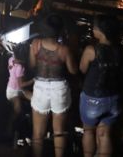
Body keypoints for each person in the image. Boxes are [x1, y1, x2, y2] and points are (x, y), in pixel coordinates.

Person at [29, 14, 78, 157]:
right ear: (59, 30)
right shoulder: (64, 50)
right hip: (59, 89)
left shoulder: (35, 44)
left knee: (38, 133)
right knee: (59, 131)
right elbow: (73, 71)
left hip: (40, 88)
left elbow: (32, 65)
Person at [79, 15, 122, 157]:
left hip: (93, 99)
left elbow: (82, 69)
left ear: (101, 31)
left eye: (95, 27)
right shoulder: (120, 51)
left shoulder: (92, 50)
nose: (93, 29)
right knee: (105, 134)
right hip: (114, 99)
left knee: (89, 131)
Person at [6, 43, 33, 141]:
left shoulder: (11, 60)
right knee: (17, 110)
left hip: (12, 89)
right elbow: (21, 84)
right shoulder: (20, 68)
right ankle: (10, 129)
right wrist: (33, 80)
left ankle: (26, 122)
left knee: (33, 98)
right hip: (14, 92)